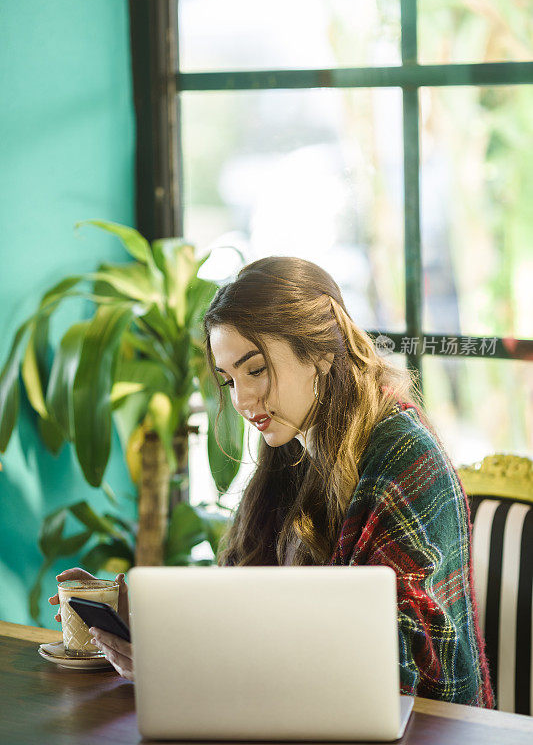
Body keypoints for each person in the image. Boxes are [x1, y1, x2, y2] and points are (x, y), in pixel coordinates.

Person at [50, 256, 494, 706]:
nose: (243, 400)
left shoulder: (404, 454)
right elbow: (250, 604)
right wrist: (147, 624)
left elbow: (396, 667)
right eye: (229, 381)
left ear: (321, 351)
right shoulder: (292, 450)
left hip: (426, 727)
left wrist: (190, 668)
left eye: (256, 370)